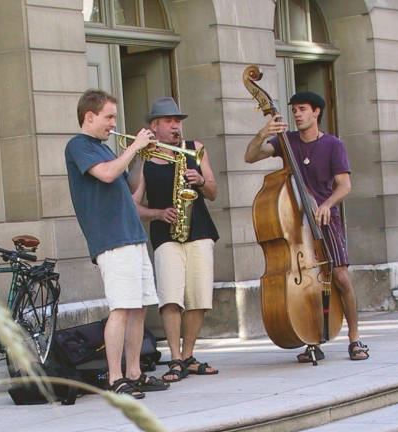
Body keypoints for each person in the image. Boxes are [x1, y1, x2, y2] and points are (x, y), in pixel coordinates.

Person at [244, 91, 369, 362]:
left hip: (325, 219)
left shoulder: (333, 145)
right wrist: (263, 132)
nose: (297, 114)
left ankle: (355, 337)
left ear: (316, 112)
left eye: (302, 109)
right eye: (295, 110)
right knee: (306, 284)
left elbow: (344, 185)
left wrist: (326, 204)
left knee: (341, 277)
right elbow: (250, 156)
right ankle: (311, 336)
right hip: (296, 222)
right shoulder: (287, 141)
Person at [65, 88, 170, 397]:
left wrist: (141, 156)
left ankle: (134, 372)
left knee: (139, 308)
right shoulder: (79, 146)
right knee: (121, 308)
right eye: (109, 116)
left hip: (133, 235)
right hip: (111, 239)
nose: (113, 123)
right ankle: (115, 377)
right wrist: (134, 145)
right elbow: (108, 175)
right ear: (90, 116)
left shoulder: (108, 149)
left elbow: (132, 190)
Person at [132, 97, 220, 382]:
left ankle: (189, 355)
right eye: (169, 121)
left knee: (198, 297)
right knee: (171, 298)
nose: (175, 126)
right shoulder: (144, 158)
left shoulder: (195, 150)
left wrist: (201, 181)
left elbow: (214, 192)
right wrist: (158, 213)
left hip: (200, 230)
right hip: (166, 233)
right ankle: (175, 358)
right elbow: (133, 205)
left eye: (178, 121)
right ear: (154, 126)